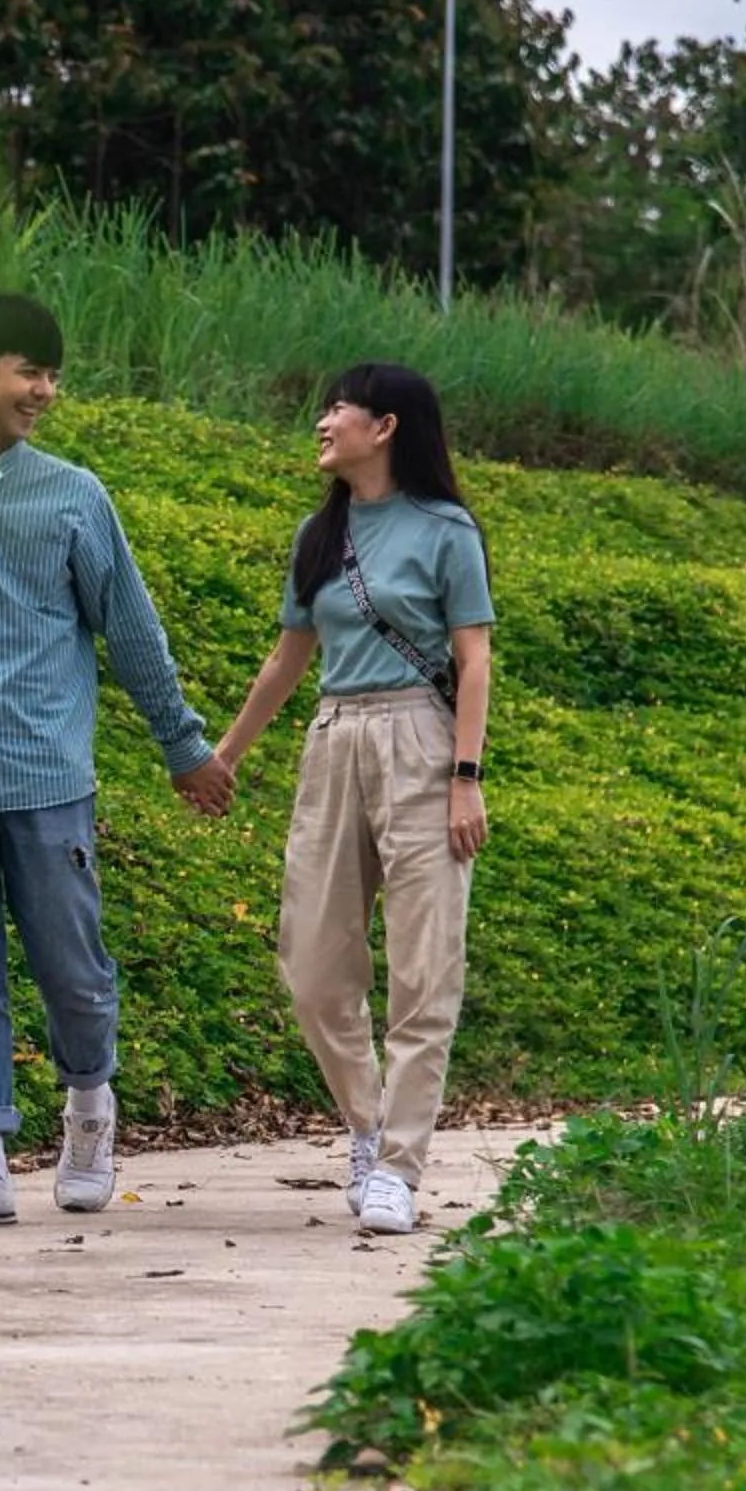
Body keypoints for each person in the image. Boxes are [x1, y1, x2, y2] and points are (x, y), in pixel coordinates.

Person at [0, 292, 235, 1231]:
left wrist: (183, 746)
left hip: (45, 772)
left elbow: (131, 632)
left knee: (72, 965)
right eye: (31, 371)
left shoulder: (74, 495)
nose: (47, 391)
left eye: (53, 373)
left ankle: (89, 1113)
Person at [210, 362, 494, 1236]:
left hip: (420, 737)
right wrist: (221, 756)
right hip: (333, 738)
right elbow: (286, 660)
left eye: (338, 408)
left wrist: (465, 779)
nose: (323, 421)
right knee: (311, 964)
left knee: (424, 967)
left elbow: (475, 659)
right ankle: (367, 1126)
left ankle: (399, 1167)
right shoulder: (316, 535)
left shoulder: (447, 531)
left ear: (387, 427)